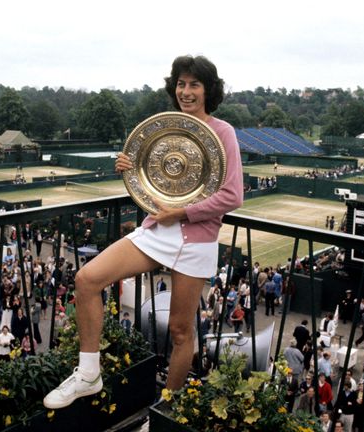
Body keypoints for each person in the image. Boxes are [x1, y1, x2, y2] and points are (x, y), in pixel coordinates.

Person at [43, 55, 243, 409]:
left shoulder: (223, 131)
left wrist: (182, 212)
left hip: (196, 241)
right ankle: (88, 374)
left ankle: (169, 408)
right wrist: (130, 167)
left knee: (181, 333)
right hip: (156, 233)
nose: (186, 91)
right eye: (181, 84)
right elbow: (155, 185)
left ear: (209, 89)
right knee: (87, 279)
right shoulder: (163, 127)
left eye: (194, 84)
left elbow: (233, 195)